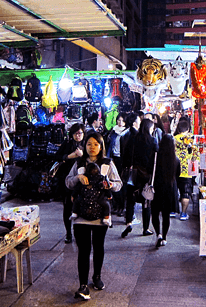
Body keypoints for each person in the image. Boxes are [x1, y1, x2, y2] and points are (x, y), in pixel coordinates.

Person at [65, 132, 122, 300]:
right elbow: (68, 182)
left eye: (96, 144)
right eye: (89, 144)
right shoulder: (79, 163)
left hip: (100, 214)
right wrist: (77, 177)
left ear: (101, 146)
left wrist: (110, 184)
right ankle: (83, 286)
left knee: (98, 247)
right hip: (81, 214)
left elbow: (119, 184)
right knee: (83, 249)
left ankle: (96, 277)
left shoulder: (108, 163)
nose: (92, 147)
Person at [121, 118, 158, 238]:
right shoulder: (153, 141)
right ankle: (146, 228)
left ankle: (128, 223)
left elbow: (125, 154)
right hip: (146, 175)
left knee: (130, 200)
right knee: (146, 201)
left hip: (133, 173)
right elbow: (156, 159)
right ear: (149, 128)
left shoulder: (133, 139)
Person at [55, 123, 85, 243]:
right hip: (67, 180)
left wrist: (82, 156)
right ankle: (68, 233)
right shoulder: (67, 144)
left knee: (81, 207)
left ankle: (80, 232)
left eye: (80, 133)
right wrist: (69, 156)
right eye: (76, 133)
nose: (78, 136)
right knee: (67, 207)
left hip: (82, 181)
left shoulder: (86, 144)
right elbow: (56, 156)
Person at [151, 134, 179, 248]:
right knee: (166, 215)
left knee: (155, 213)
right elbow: (178, 174)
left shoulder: (156, 158)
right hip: (170, 189)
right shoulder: (175, 159)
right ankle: (165, 237)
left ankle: (158, 234)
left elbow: (150, 170)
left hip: (157, 188)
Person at [70, 162, 113, 226]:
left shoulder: (84, 178)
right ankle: (106, 218)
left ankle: (74, 213)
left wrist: (73, 195)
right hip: (98, 199)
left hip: (85, 198)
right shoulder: (101, 179)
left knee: (76, 201)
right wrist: (109, 195)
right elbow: (106, 188)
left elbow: (77, 188)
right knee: (106, 205)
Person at [106, 113, 127, 215]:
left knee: (120, 183)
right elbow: (110, 146)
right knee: (112, 182)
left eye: (122, 121)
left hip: (122, 160)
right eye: (118, 120)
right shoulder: (114, 131)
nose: (120, 122)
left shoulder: (126, 133)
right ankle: (116, 205)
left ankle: (122, 207)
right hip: (114, 159)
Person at [174, 118, 194, 221]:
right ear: (188, 129)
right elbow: (196, 155)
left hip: (174, 168)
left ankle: (172, 211)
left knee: (174, 190)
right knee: (185, 192)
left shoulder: (173, 139)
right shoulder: (191, 139)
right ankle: (183, 213)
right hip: (187, 170)